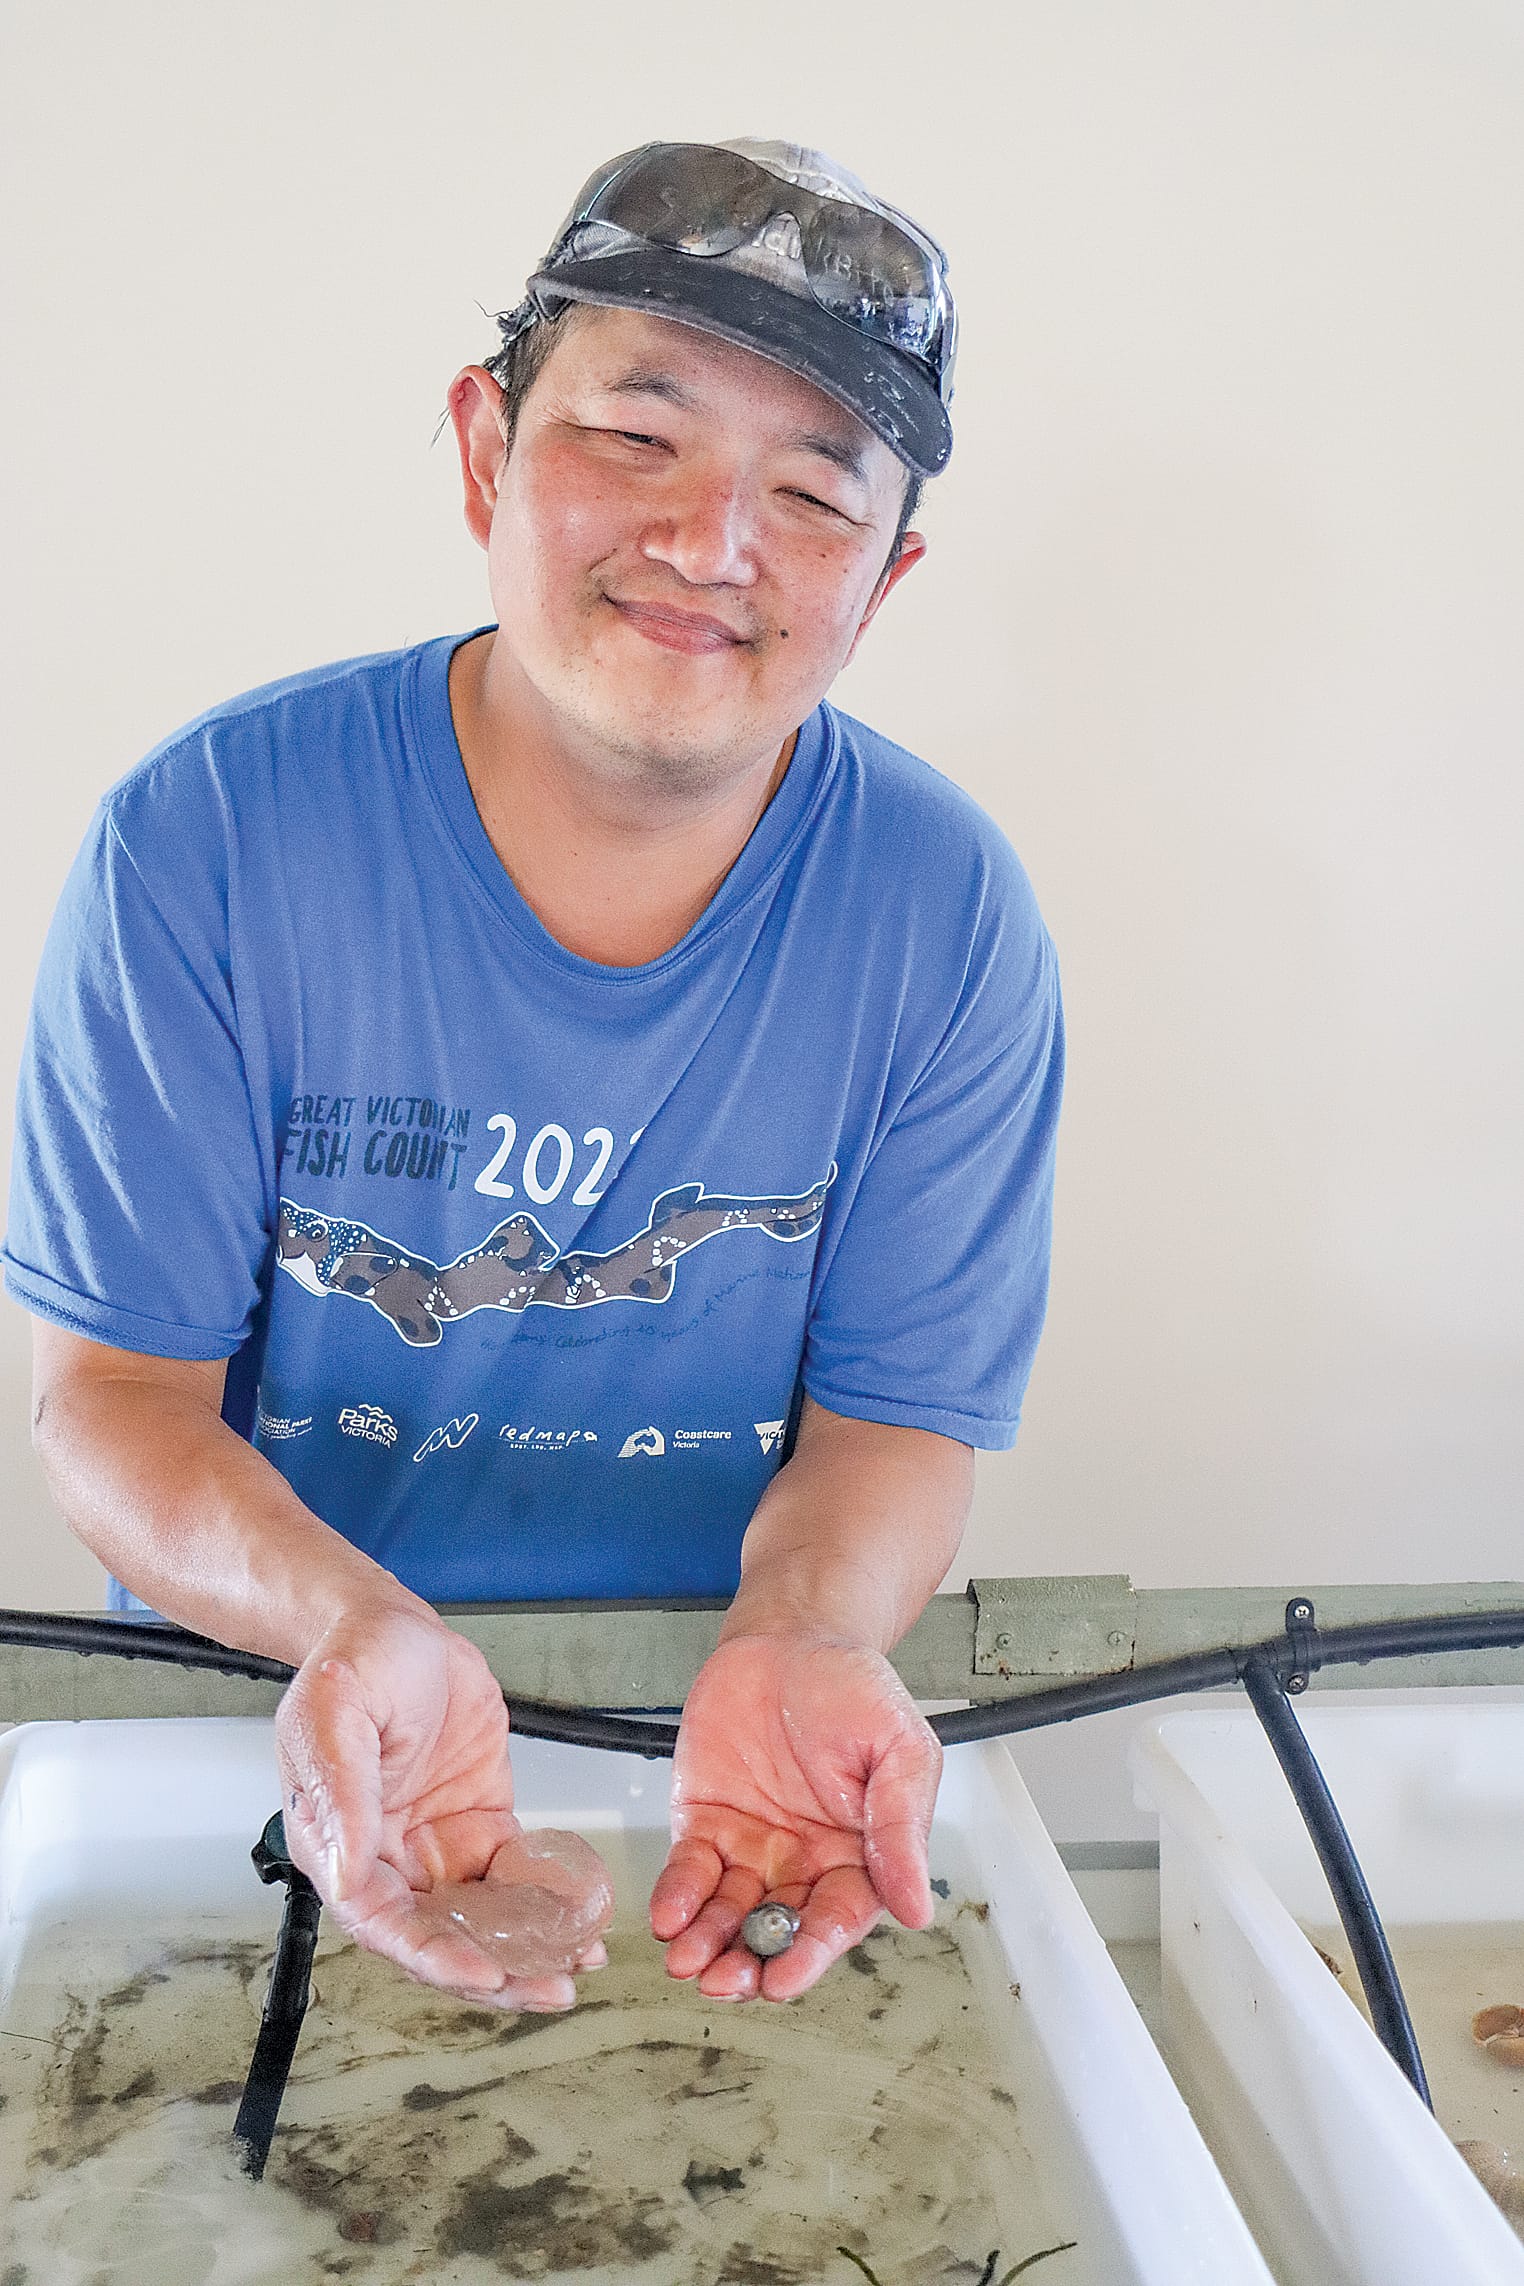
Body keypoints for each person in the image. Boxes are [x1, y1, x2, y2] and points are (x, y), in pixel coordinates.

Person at [4, 139, 1063, 2012]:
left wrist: (808, 1633)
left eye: (811, 492)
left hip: (728, 1768)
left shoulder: (946, 913)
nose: (711, 543)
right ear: (487, 449)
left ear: (884, 579)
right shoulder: (208, 841)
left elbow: (900, 1422)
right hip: (268, 1703)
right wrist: (357, 1629)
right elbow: (112, 1395)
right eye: (638, 441)